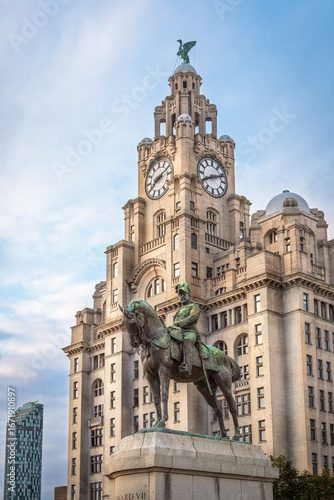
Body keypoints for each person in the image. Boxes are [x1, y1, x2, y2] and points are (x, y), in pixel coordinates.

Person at [172, 282, 200, 376]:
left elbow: (193, 317)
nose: (182, 297)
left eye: (184, 294)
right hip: (178, 332)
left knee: (187, 340)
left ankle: (187, 366)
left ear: (189, 294)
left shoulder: (194, 306)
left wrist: (180, 323)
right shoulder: (178, 311)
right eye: (180, 295)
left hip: (190, 331)